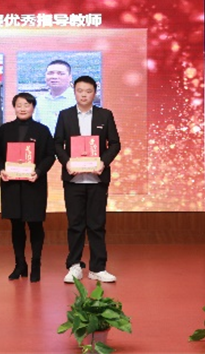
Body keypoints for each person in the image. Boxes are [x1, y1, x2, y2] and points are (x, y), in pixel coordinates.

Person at [54, 75, 121, 284]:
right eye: (80, 91)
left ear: (95, 93)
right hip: (73, 179)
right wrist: (66, 162)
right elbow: (57, 143)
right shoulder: (65, 115)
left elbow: (115, 143)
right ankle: (74, 265)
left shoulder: (105, 115)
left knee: (96, 224)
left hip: (97, 179)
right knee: (75, 224)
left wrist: (103, 162)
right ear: (74, 91)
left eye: (88, 91)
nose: (84, 95)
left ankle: (98, 268)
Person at [0, 93, 55, 282]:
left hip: (34, 184)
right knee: (16, 225)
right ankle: (20, 264)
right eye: (19, 105)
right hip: (11, 184)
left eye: (26, 105)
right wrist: (1, 169)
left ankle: (36, 264)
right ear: (14, 107)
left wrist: (39, 171)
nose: (22, 108)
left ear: (33, 107)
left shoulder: (42, 130)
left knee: (35, 224)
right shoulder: (4, 130)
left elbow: (50, 155)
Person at [33, 60, 75, 135]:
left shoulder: (79, 100)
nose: (54, 77)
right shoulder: (39, 102)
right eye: (50, 73)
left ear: (70, 77)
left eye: (60, 73)